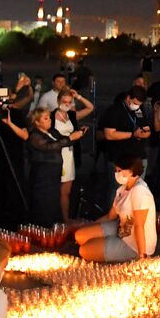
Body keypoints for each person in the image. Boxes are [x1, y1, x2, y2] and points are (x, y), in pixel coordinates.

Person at [74, 153, 156, 262]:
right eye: (116, 170)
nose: (117, 174)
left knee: (84, 251)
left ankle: (121, 250)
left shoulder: (139, 191)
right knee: (79, 236)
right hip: (120, 229)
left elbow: (139, 225)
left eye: (120, 171)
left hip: (133, 244)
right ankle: (107, 242)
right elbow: (110, 216)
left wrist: (142, 255)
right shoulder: (122, 190)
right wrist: (90, 227)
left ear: (131, 171)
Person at [26, 108, 84, 228]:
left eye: (49, 118)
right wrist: (70, 138)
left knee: (53, 200)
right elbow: (49, 147)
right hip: (43, 174)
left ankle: (52, 227)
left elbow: (64, 141)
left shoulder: (52, 132)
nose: (49, 121)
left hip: (54, 173)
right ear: (37, 122)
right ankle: (41, 228)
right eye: (45, 119)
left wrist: (78, 135)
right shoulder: (35, 135)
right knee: (43, 201)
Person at [51, 88, 95, 222]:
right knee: (55, 189)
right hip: (57, 155)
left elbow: (90, 108)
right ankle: (55, 218)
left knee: (67, 191)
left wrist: (79, 96)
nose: (66, 104)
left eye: (69, 102)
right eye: (64, 101)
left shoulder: (71, 115)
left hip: (70, 156)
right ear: (58, 101)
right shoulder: (51, 117)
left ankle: (66, 219)